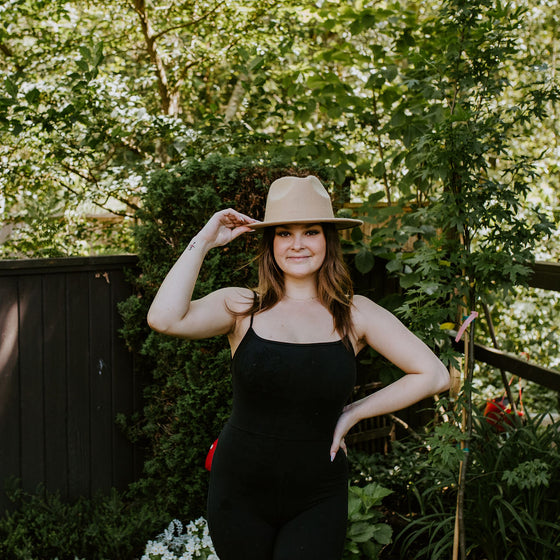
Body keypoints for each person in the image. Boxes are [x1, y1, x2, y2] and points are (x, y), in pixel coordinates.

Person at [147, 175, 450, 560]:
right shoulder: (242, 307)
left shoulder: (355, 314)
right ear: (270, 244)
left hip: (317, 496)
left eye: (310, 231)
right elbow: (164, 319)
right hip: (239, 491)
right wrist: (204, 240)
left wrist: (353, 413)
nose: (298, 244)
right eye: (284, 234)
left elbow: (434, 374)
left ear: (328, 240)